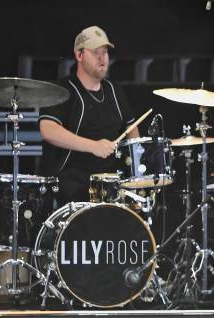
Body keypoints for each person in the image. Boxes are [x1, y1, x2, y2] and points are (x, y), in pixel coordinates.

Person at [38, 25, 140, 204]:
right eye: (95, 52)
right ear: (79, 55)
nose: (102, 58)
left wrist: (137, 167)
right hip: (71, 184)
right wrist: (93, 146)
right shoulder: (62, 90)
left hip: (112, 185)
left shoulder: (115, 91)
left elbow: (132, 128)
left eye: (105, 52)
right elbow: (48, 130)